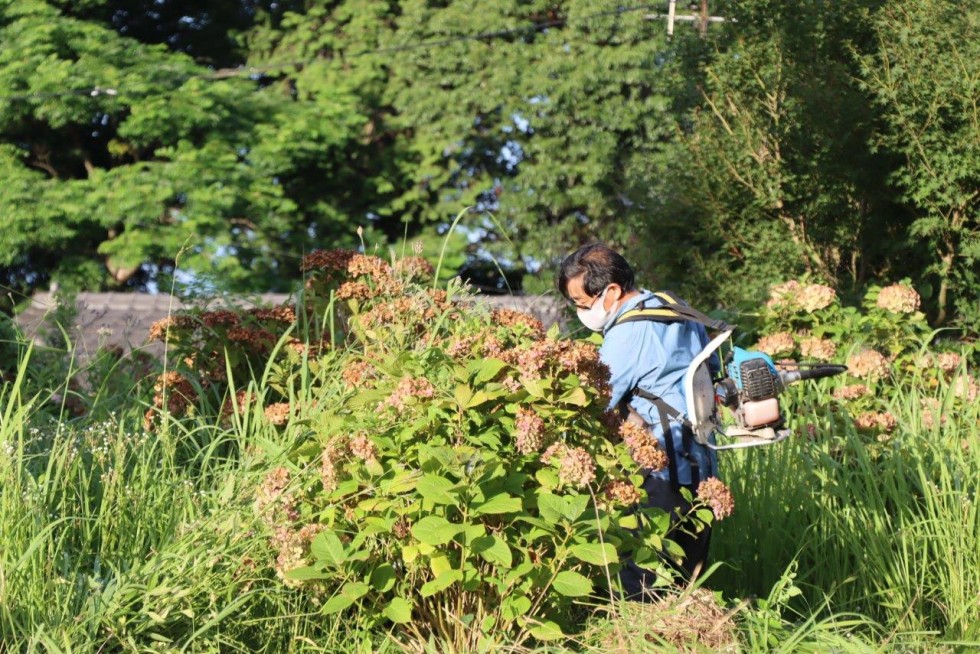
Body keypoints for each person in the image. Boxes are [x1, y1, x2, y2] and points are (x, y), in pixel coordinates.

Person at [557, 242, 719, 599]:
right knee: (686, 585)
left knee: (638, 584)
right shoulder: (673, 307)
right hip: (705, 463)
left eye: (584, 304)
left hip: (661, 469)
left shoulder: (627, 334)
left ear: (611, 291)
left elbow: (594, 400)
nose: (584, 313)